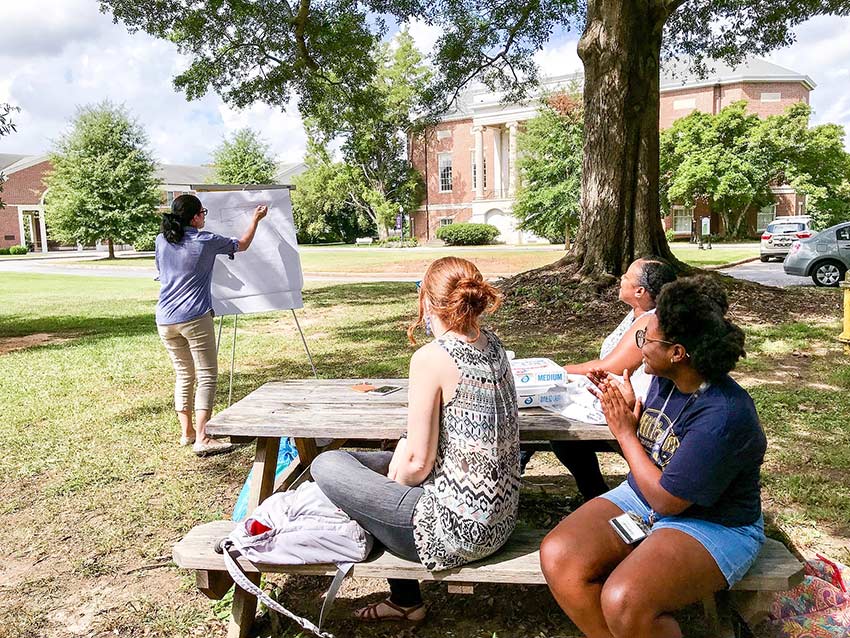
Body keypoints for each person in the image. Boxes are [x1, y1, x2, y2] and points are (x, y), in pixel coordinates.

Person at [540, 276, 767, 638]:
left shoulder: (723, 415)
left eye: (646, 338)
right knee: (559, 554)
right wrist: (631, 415)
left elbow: (668, 499)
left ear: (678, 352)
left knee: (624, 599)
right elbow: (655, 459)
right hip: (646, 499)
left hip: (714, 524)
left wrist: (624, 433)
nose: (639, 344)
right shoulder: (667, 378)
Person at [310, 256, 520, 623]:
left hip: (455, 530)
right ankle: (402, 595)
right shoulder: (493, 344)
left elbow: (417, 465)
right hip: (500, 521)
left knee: (326, 463)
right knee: (361, 462)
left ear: (426, 300)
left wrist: (390, 487)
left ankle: (406, 600)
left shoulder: (432, 357)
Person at [533, 258, 677, 500]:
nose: (621, 278)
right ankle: (593, 493)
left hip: (634, 408)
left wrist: (553, 370)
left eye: (627, 277)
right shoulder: (636, 314)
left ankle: (594, 494)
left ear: (640, 291)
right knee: (559, 425)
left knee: (560, 425)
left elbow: (608, 366)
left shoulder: (648, 323)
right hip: (614, 397)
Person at [155, 194, 267, 455]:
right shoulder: (205, 240)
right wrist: (256, 219)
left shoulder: (162, 240)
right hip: (194, 316)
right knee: (206, 375)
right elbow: (242, 244)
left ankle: (187, 433)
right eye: (203, 212)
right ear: (195, 217)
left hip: (164, 319)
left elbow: (161, 273)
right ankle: (203, 438)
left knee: (184, 374)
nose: (205, 216)